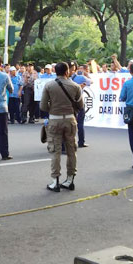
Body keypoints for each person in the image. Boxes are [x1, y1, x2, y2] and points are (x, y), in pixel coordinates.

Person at [40, 62, 83, 192]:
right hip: (70, 119)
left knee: (55, 151)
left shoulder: (49, 86)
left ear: (55, 71)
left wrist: (52, 109)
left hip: (54, 120)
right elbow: (80, 105)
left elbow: (42, 106)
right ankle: (70, 179)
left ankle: (55, 181)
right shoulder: (75, 86)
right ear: (67, 71)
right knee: (71, 151)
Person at [72, 73, 91, 148]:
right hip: (79, 103)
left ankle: (70, 142)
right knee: (80, 124)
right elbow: (91, 82)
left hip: (71, 104)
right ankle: (81, 142)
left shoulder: (69, 80)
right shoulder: (81, 77)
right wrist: (87, 76)